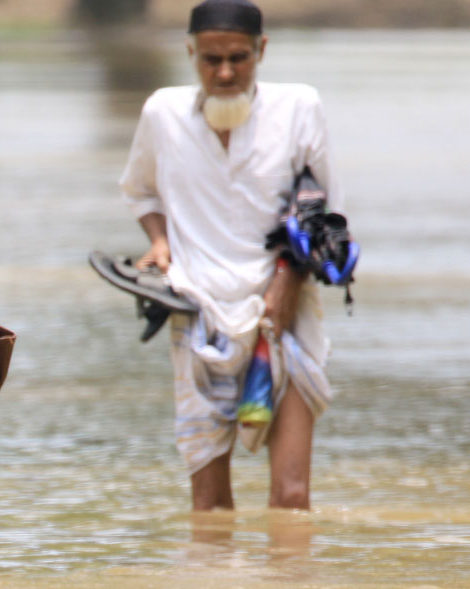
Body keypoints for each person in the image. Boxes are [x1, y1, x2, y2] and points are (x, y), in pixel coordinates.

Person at [120, 0, 339, 511]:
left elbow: (325, 215)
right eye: (211, 59)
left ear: (261, 51)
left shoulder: (299, 108)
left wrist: (287, 282)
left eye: (238, 58)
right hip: (199, 317)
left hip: (285, 315)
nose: (224, 72)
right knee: (209, 501)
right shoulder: (162, 113)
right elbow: (141, 193)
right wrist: (160, 242)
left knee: (291, 497)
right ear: (190, 52)